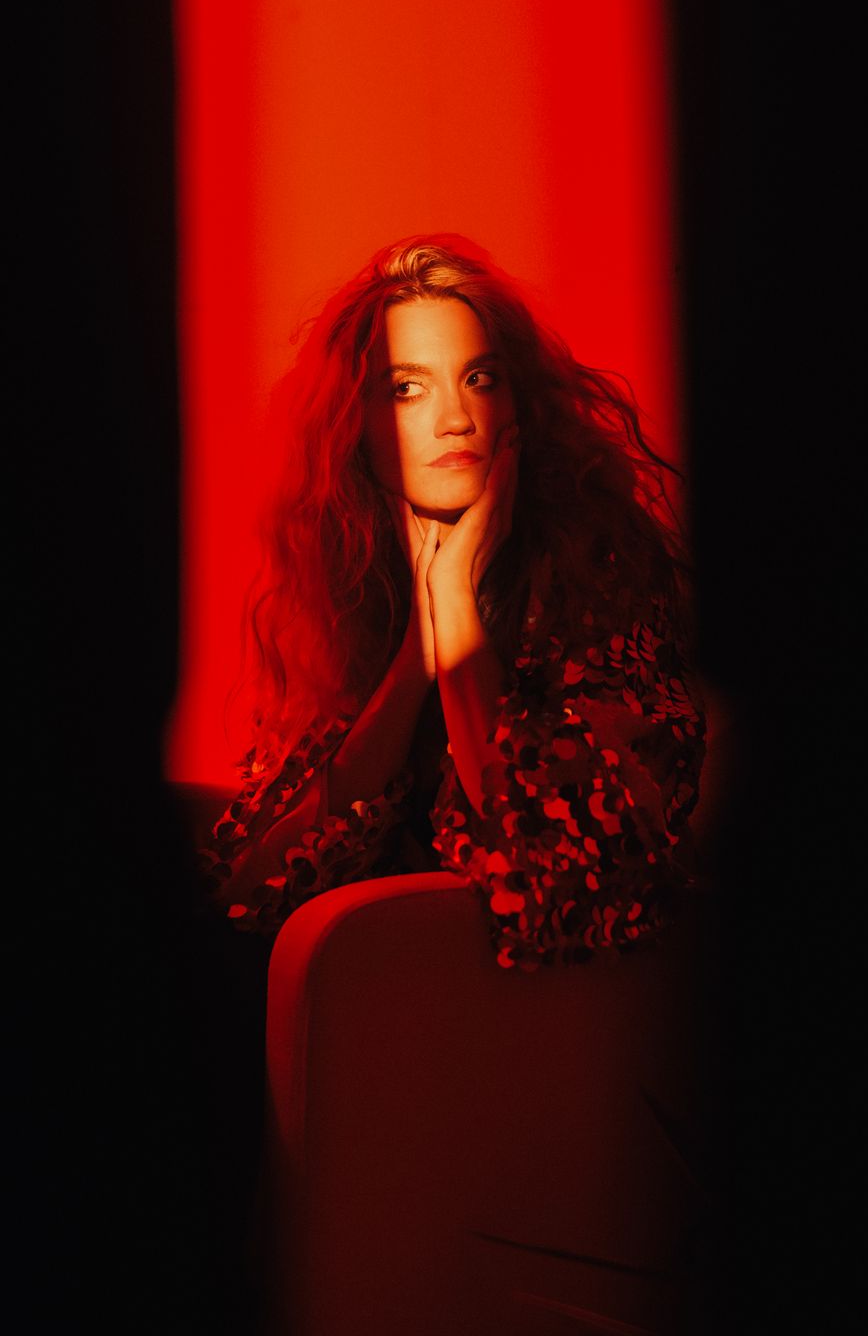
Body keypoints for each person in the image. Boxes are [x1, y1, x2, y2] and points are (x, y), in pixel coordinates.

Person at [198, 233, 706, 971]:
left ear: (520, 405)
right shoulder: (350, 594)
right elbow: (249, 891)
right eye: (407, 388)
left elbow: (558, 875)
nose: (453, 419)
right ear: (354, 426)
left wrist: (455, 597)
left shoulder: (602, 575)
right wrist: (414, 658)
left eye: (479, 378)